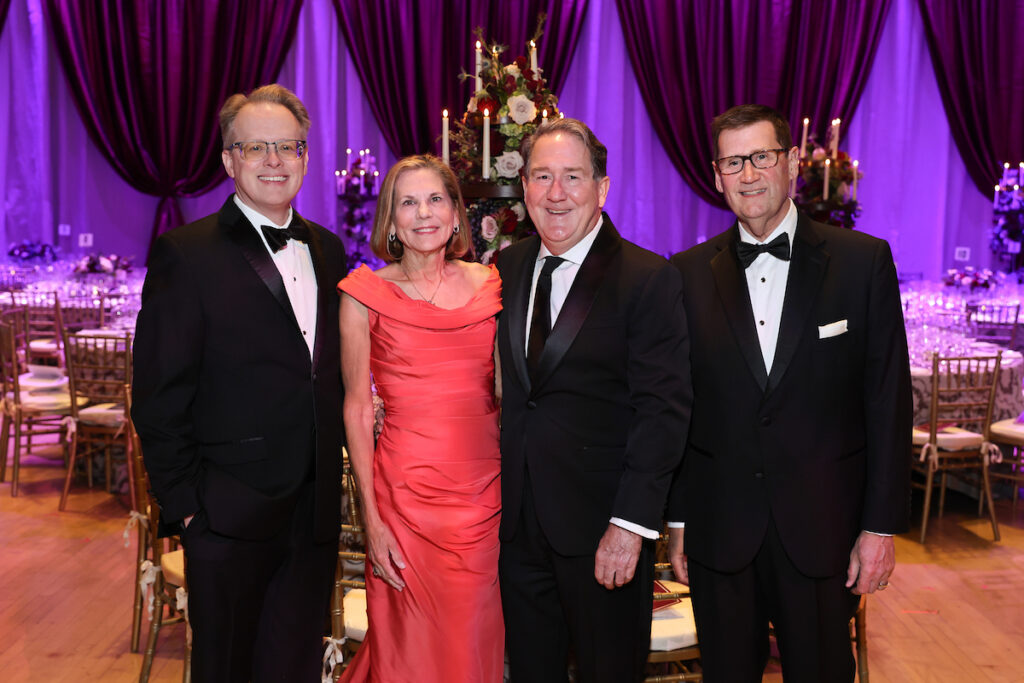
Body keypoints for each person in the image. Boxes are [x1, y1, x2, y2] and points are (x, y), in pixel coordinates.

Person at [667, 104, 912, 682]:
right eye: (733, 162)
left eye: (761, 157)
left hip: (825, 530)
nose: (747, 174)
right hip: (720, 531)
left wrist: (880, 528)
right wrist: (678, 519)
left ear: (793, 162)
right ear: (717, 173)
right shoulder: (684, 273)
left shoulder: (861, 263)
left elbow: (887, 402)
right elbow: (678, 406)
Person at [131, 84, 348, 682]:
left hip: (313, 512)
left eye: (288, 146)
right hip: (226, 517)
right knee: (227, 669)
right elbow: (157, 396)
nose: (275, 161)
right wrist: (190, 511)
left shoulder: (329, 250)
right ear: (229, 161)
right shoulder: (186, 254)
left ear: (305, 156)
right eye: (257, 147)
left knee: (295, 666)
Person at [496, 118, 691, 683]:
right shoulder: (507, 268)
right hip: (519, 531)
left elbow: (665, 412)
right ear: (524, 188)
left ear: (602, 188)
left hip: (604, 533)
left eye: (573, 177)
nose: (556, 194)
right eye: (542, 176)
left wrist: (630, 526)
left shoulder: (646, 278)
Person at [336, 154, 504, 682]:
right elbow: (358, 407)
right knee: (408, 654)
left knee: (473, 647)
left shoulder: (493, 287)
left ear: (457, 214)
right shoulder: (362, 296)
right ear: (390, 220)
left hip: (486, 500)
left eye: (436, 199)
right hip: (403, 503)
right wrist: (373, 519)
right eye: (408, 202)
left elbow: (513, 392)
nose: (423, 213)